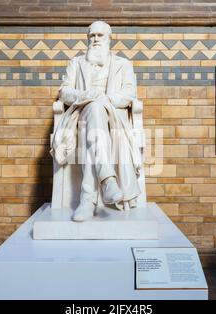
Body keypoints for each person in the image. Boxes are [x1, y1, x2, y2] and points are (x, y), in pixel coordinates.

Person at [50, 20, 141, 222]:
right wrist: (88, 96)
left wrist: (106, 100)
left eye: (100, 35)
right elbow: (64, 92)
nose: (96, 39)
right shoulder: (76, 63)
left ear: (109, 39)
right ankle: (108, 181)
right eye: (92, 36)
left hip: (113, 118)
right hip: (81, 116)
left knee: (94, 128)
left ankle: (88, 200)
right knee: (94, 112)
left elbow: (129, 93)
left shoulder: (123, 64)